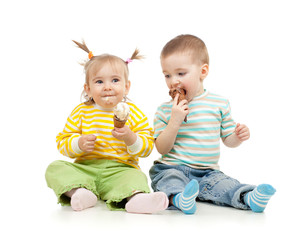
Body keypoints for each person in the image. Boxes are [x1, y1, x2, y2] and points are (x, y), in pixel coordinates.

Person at [149, 34, 275, 214]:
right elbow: (162, 148)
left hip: (207, 172)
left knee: (224, 185)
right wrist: (174, 121)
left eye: (181, 73)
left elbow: (228, 140)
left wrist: (237, 137)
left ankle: (248, 196)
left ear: (203, 71)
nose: (173, 81)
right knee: (169, 181)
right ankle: (179, 198)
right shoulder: (164, 110)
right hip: (171, 168)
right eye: (167, 75)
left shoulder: (219, 103)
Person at [45, 40, 168, 214]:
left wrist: (130, 137)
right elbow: (62, 142)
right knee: (55, 168)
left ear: (126, 87)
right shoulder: (81, 112)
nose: (108, 87)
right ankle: (80, 192)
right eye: (99, 82)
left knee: (136, 176)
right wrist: (78, 143)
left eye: (115, 80)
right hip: (85, 169)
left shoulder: (134, 113)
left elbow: (147, 148)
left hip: (120, 170)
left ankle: (136, 199)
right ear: (87, 89)